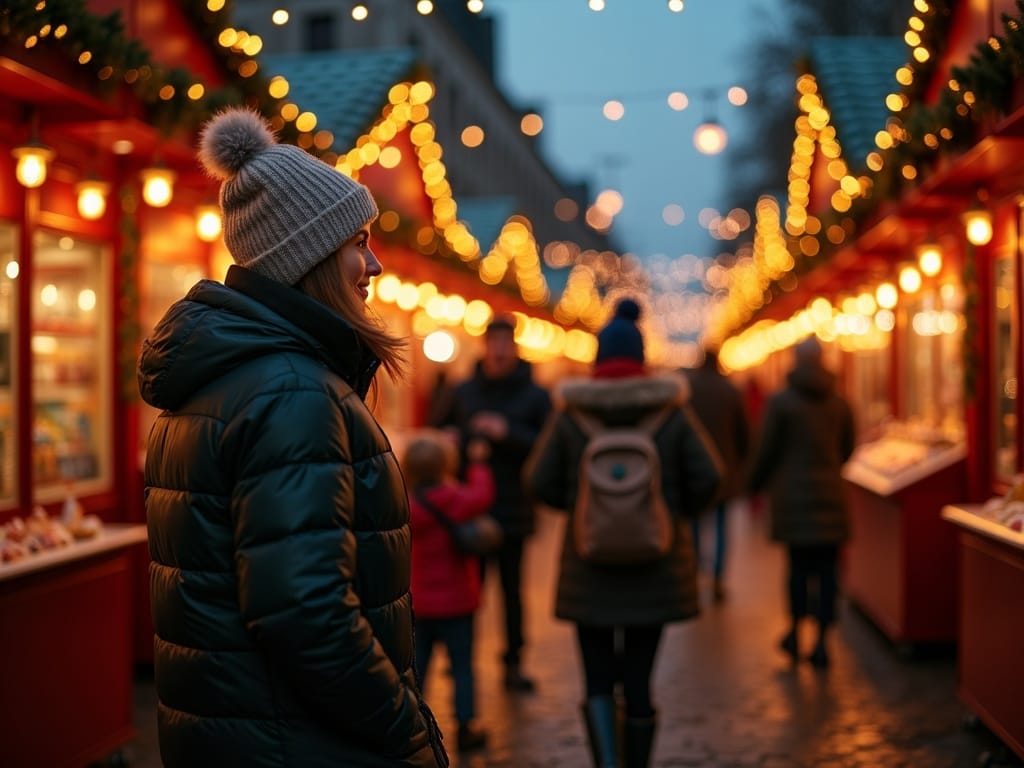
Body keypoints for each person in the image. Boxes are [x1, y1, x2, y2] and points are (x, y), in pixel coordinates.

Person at [138, 108, 447, 767]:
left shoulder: (226, 382)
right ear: (308, 258)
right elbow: (308, 615)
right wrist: (407, 731)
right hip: (303, 746)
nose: (373, 264)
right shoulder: (291, 394)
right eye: (357, 242)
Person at [525, 299, 721, 768]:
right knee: (639, 681)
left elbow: (538, 481)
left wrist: (581, 508)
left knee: (596, 680)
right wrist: (669, 513)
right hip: (656, 567)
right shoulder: (671, 412)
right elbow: (710, 476)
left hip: (588, 566)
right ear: (641, 358)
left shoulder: (571, 414)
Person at [430, 314, 552, 692]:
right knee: (468, 589)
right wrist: (451, 438)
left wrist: (507, 432)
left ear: (515, 348)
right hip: (469, 508)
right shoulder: (463, 390)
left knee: (512, 592)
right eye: (494, 343)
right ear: (485, 346)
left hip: (514, 507)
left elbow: (548, 447)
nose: (499, 350)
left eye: (505, 343)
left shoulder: (535, 395)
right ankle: (462, 658)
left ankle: (513, 660)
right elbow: (437, 430)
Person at [747, 336, 856, 669]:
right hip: (830, 498)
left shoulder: (781, 403)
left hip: (793, 501)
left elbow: (766, 450)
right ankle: (823, 641)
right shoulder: (839, 403)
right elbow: (848, 448)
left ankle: (795, 631)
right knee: (827, 573)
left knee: (797, 569)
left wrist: (753, 485)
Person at [403, 431, 495, 754]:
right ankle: (466, 726)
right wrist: (478, 463)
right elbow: (483, 495)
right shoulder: (456, 499)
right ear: (446, 465)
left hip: (421, 603)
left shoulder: (407, 505)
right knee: (463, 666)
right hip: (459, 603)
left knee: (418, 667)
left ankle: (414, 722)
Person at [684, 348, 751, 602]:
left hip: (695, 470)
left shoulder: (689, 390)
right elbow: (744, 434)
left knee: (695, 524)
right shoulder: (730, 391)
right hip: (725, 469)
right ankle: (718, 578)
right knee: (722, 527)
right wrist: (741, 464)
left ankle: (695, 572)